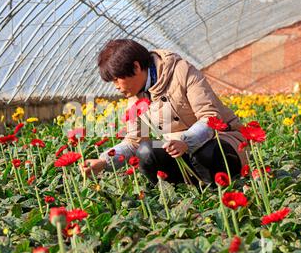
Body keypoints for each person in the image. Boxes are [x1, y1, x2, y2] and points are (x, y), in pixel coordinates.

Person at [82, 39, 248, 185]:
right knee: (146, 151)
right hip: (176, 149)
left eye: (117, 79)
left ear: (136, 67)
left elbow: (210, 118)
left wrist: (186, 141)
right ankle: (183, 195)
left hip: (220, 139)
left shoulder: (182, 72)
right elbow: (134, 141)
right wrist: (103, 161)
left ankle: (220, 192)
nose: (116, 86)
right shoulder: (135, 98)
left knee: (206, 153)